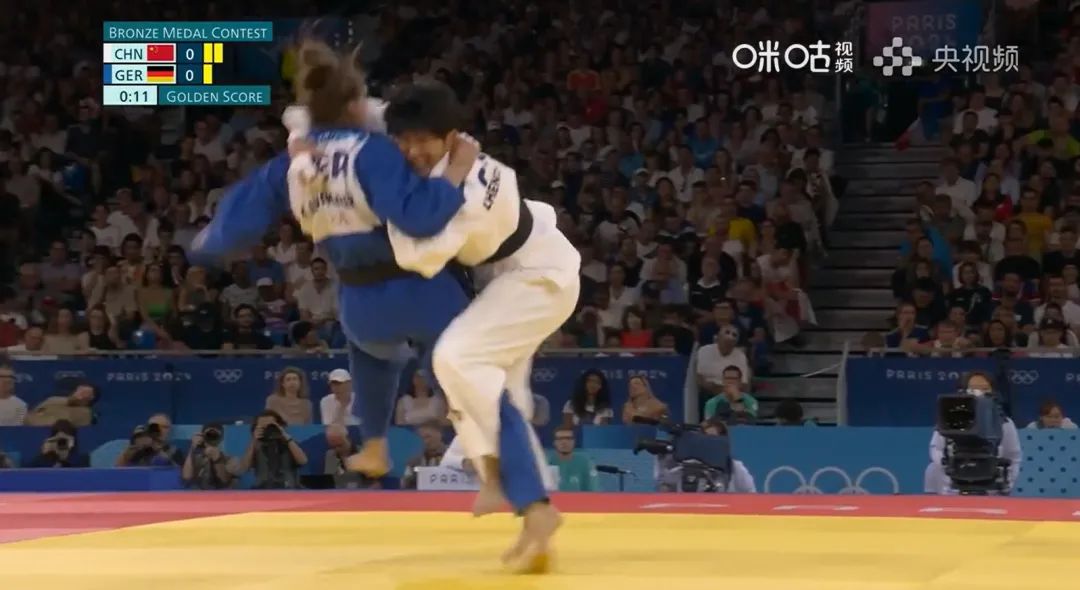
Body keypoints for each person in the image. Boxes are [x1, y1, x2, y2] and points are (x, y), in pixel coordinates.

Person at [190, 41, 480, 478]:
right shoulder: (372, 150)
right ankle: (485, 439)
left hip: (359, 303)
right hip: (416, 286)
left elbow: (243, 214)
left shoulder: (293, 162)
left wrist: (211, 239)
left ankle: (375, 446)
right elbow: (419, 219)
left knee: (371, 358)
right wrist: (455, 172)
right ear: (353, 105)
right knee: (459, 360)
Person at [374, 81, 581, 572]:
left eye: (423, 141)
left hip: (537, 279)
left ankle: (512, 491)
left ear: (450, 137)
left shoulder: (471, 187)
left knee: (456, 357)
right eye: (404, 141)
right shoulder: (436, 162)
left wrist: (442, 178)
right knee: (497, 395)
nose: (412, 151)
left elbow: (418, 258)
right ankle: (532, 515)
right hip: (506, 279)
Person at [925, 372, 1021, 494]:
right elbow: (936, 450)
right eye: (973, 389)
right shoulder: (950, 419)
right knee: (931, 469)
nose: (979, 393)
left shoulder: (1004, 423)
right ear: (963, 391)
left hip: (991, 485)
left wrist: (1007, 484)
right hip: (953, 484)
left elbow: (1013, 457)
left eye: (985, 389)